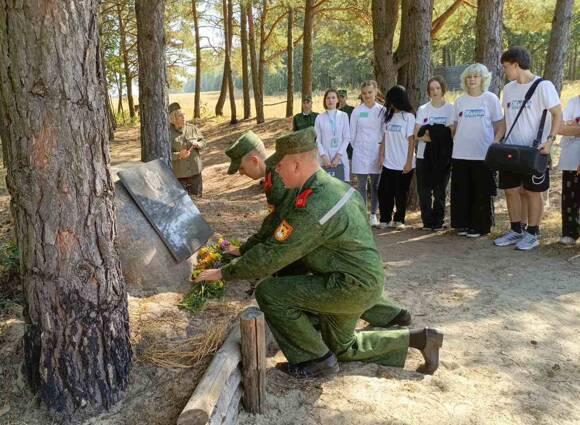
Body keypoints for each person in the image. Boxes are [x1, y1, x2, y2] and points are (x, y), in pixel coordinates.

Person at [198, 128, 443, 378]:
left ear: (295, 164)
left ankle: (314, 360)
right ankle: (421, 339)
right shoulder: (333, 187)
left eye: (279, 166)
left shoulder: (312, 206)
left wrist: (223, 273)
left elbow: (273, 254)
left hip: (349, 286)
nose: (277, 172)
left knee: (270, 293)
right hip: (358, 280)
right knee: (342, 347)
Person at [224, 130, 412, 328]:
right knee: (336, 283)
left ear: (253, 160)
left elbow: (275, 224)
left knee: (318, 283)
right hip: (312, 232)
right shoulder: (275, 175)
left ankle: (307, 319)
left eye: (242, 168)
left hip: (309, 232)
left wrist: (244, 251)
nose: (241, 173)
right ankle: (392, 314)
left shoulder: (277, 178)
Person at [493, 46, 562, 251]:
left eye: (506, 66)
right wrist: (498, 139)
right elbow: (507, 118)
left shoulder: (543, 86)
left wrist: (549, 140)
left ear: (516, 64)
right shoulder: (509, 89)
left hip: (535, 151)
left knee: (533, 192)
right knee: (511, 190)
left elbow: (557, 114)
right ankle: (516, 230)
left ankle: (532, 233)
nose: (505, 70)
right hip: (511, 150)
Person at [450, 64, 503, 238]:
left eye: (476, 76)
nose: (472, 80)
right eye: (469, 77)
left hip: (482, 154)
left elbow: (500, 126)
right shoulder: (460, 101)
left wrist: (494, 143)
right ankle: (462, 224)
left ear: (483, 79)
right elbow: (455, 127)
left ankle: (480, 226)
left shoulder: (490, 99)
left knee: (481, 191)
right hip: (460, 154)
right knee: (462, 191)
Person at [414, 77, 454, 231]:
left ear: (442, 89)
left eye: (437, 88)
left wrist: (432, 132)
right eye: (432, 89)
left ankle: (438, 221)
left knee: (439, 191)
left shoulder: (450, 109)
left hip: (442, 158)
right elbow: (417, 134)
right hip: (423, 156)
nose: (435, 91)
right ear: (428, 92)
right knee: (424, 191)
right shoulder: (423, 109)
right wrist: (436, 134)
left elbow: (450, 132)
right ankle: (427, 221)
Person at [377, 86, 416, 229]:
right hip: (388, 162)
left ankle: (399, 219)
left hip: (404, 163)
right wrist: (381, 155)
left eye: (392, 100)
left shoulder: (409, 117)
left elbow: (411, 141)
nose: (390, 103)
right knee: (384, 191)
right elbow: (385, 137)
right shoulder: (388, 116)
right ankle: (385, 219)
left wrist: (408, 162)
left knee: (401, 193)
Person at [351, 81, 384, 227]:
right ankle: (362, 214)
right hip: (361, 152)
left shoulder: (382, 111)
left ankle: (373, 215)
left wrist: (381, 151)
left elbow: (384, 132)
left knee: (376, 185)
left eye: (370, 92)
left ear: (375, 92)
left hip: (377, 153)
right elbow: (352, 135)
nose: (367, 96)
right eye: (364, 93)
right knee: (361, 186)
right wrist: (359, 148)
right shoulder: (357, 111)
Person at [169, 102, 206, 196]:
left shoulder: (192, 128)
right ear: (173, 118)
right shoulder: (167, 133)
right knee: (182, 204)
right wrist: (178, 155)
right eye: (180, 115)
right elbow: (165, 154)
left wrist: (198, 144)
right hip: (179, 176)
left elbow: (203, 141)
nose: (184, 117)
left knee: (198, 200)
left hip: (195, 173)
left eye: (183, 114)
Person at [557, 94, 580, 246]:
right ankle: (570, 233)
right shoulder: (574, 102)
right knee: (570, 198)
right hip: (571, 158)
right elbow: (560, 128)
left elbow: (567, 127)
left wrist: (574, 126)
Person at [315, 89, 351, 182]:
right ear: (325, 101)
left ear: (337, 100)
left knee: (342, 189)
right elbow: (317, 139)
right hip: (324, 160)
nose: (330, 100)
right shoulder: (320, 117)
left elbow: (347, 138)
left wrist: (338, 157)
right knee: (326, 189)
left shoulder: (344, 116)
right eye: (328, 98)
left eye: (333, 98)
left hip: (340, 158)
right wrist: (324, 156)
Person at [339, 89, 355, 160]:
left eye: (342, 97)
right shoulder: (334, 110)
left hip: (349, 139)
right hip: (338, 138)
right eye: (339, 97)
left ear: (346, 97)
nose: (340, 99)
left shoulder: (352, 109)